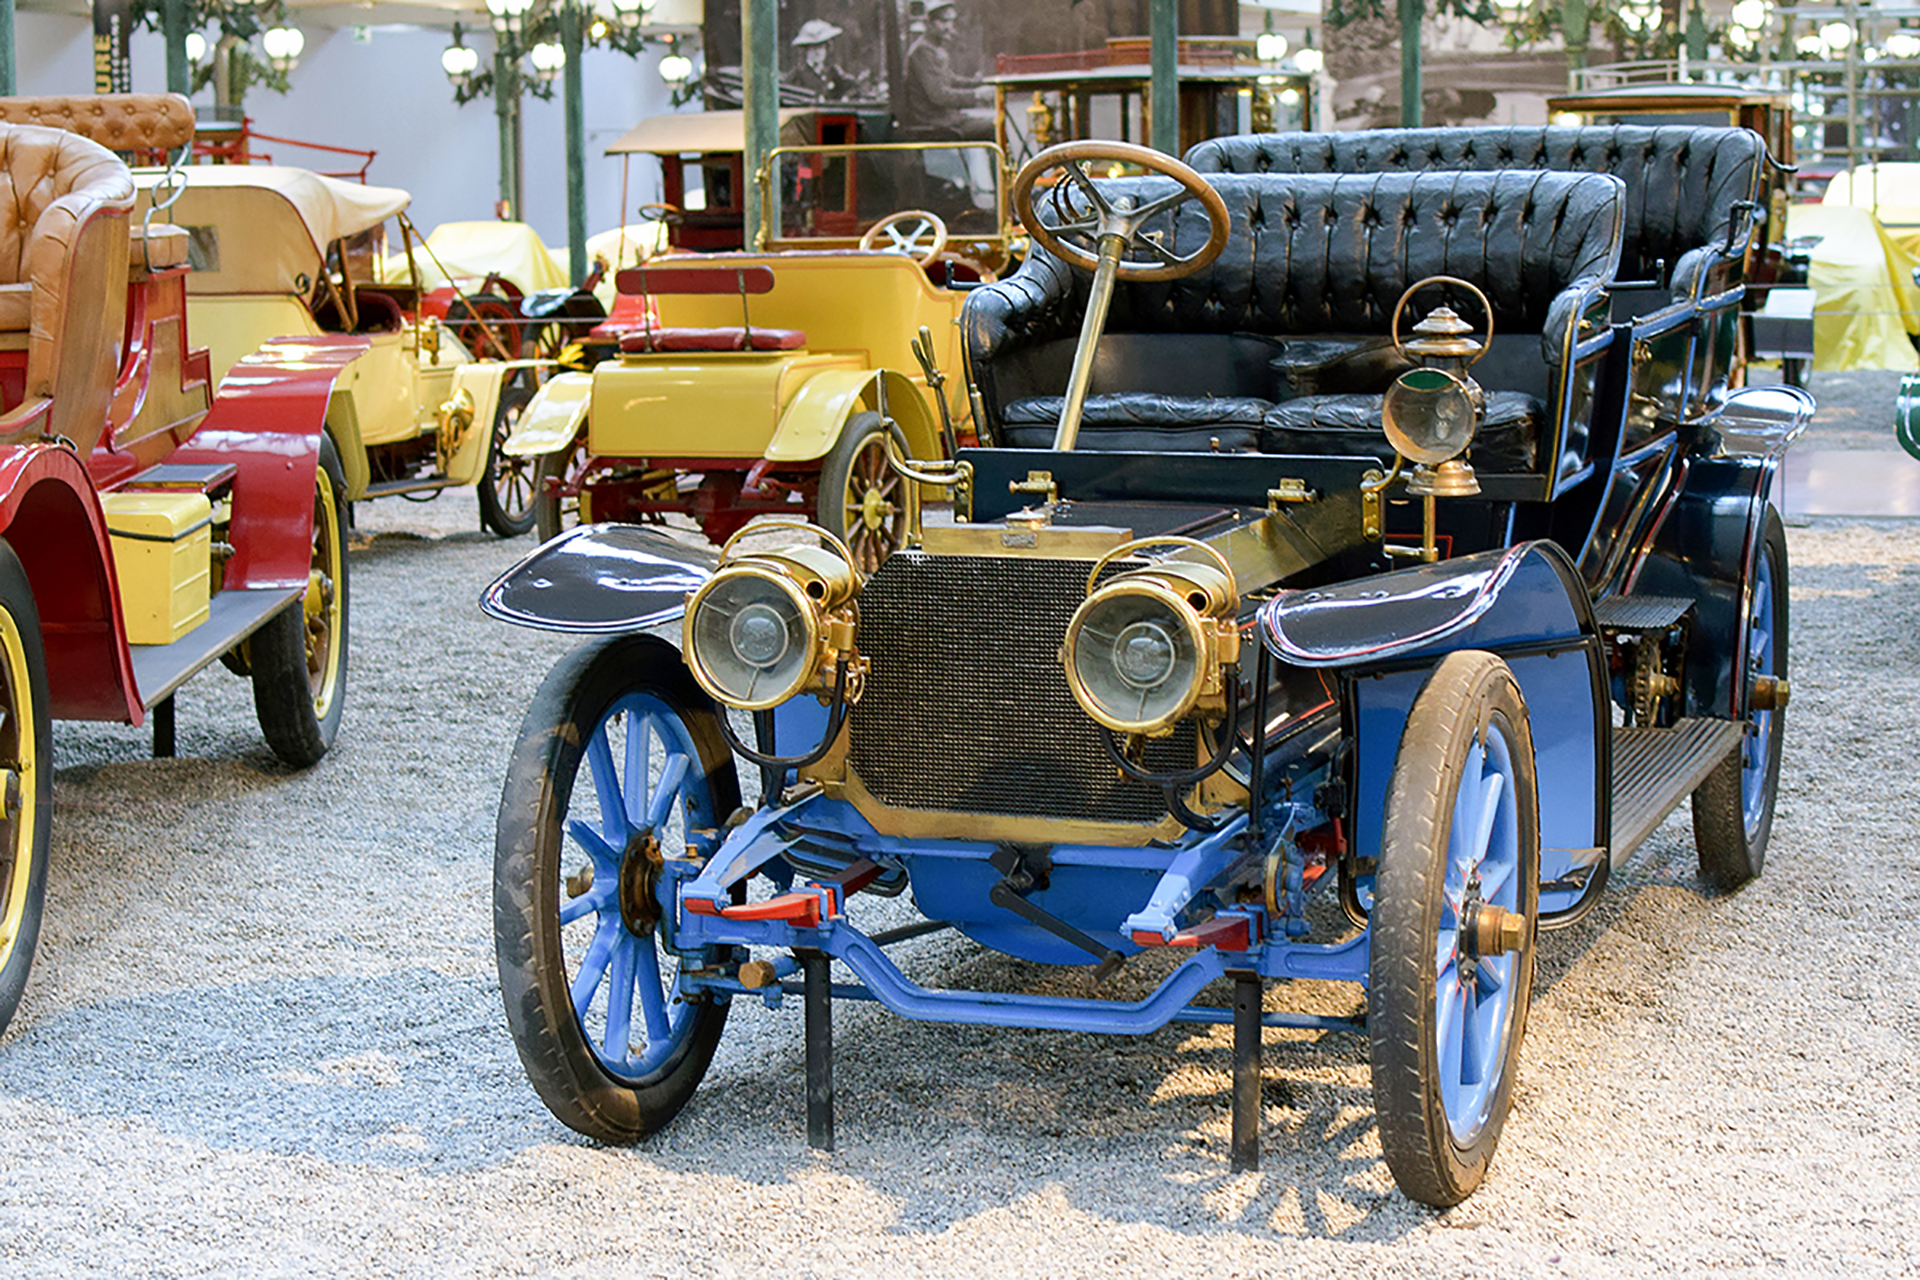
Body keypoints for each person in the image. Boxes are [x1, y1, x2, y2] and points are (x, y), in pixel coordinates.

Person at [901, 0, 993, 137]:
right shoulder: (922, 52)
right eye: (943, 22)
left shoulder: (935, 50)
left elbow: (951, 79)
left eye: (950, 21)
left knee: (994, 123)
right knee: (994, 126)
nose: (949, 27)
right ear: (929, 23)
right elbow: (939, 96)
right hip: (934, 122)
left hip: (945, 119)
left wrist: (984, 82)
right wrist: (976, 95)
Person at [789, 18, 857, 104]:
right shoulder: (797, 76)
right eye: (813, 48)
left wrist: (846, 97)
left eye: (821, 47)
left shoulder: (832, 72)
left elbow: (851, 87)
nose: (818, 52)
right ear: (806, 50)